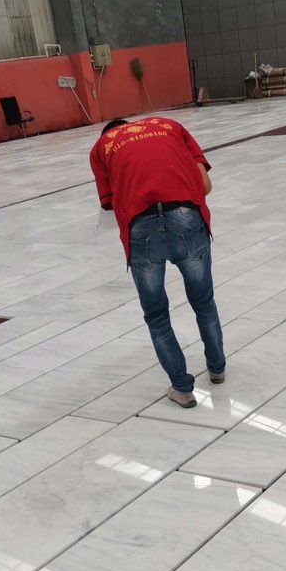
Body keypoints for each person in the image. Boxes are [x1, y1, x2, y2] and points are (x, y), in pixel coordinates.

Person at [89, 117, 225, 408]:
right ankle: (217, 369)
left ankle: (182, 389)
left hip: (141, 228)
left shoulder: (101, 147)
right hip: (186, 215)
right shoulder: (169, 126)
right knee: (204, 302)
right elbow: (205, 185)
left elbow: (109, 203)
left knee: (157, 315)